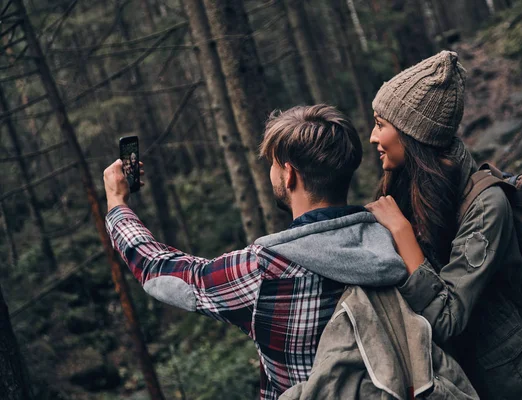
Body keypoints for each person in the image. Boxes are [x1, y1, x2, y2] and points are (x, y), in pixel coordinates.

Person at [103, 105, 409, 400]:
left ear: (290, 175)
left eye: (274, 165)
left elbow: (162, 272)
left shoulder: (266, 268)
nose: (272, 173)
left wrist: (118, 205)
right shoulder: (393, 238)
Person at [365, 50, 522, 399]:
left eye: (380, 124)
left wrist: (402, 233)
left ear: (413, 133)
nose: (373, 137)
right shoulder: (406, 185)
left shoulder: (485, 205)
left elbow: (447, 317)